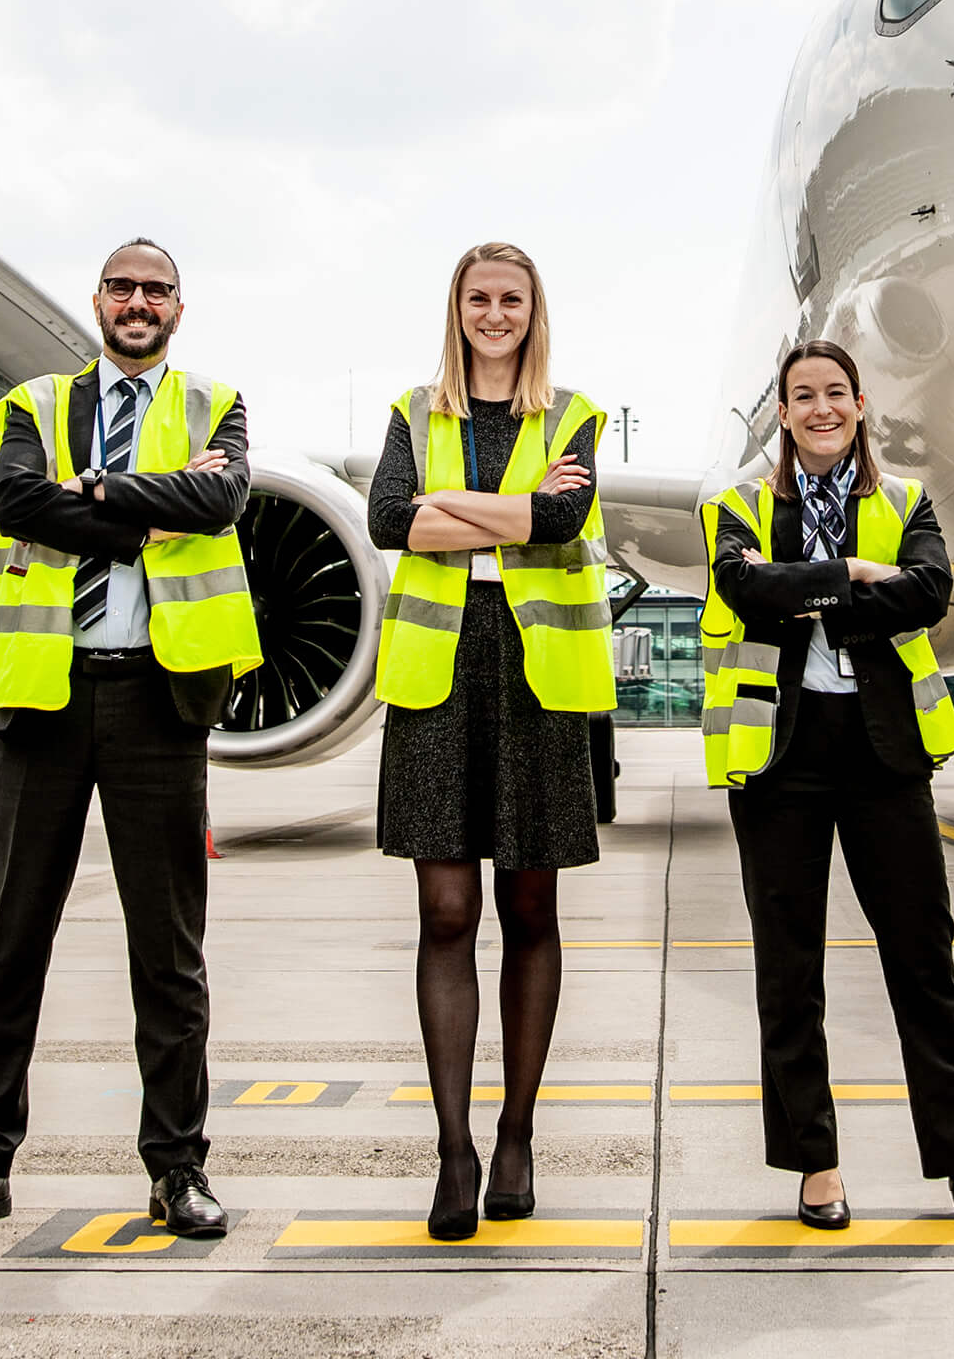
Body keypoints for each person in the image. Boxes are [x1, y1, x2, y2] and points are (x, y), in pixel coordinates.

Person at [0, 239, 263, 1240]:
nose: (138, 301)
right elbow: (20, 502)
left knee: (169, 955)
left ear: (178, 309)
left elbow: (223, 499)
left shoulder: (215, 406)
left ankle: (176, 1168)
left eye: (156, 289)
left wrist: (95, 495)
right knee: (12, 943)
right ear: (96, 302)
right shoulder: (27, 409)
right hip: (45, 699)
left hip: (161, 698)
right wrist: (146, 507)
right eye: (123, 286)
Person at [700, 340, 954, 1231]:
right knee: (790, 973)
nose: (820, 409)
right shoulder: (735, 502)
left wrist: (808, 594)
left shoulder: (903, 499)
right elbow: (744, 591)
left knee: (925, 965)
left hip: (884, 752)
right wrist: (855, 575)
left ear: (861, 407)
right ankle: (816, 1168)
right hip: (781, 757)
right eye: (802, 396)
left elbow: (929, 593)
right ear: (781, 412)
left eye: (836, 394)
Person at [367, 241, 613, 1240]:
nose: (496, 313)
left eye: (512, 298)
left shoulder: (574, 414)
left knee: (528, 903)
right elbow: (389, 519)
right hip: (438, 676)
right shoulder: (413, 412)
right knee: (445, 911)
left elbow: (563, 521)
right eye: (480, 297)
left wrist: (451, 511)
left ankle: (515, 1135)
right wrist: (508, 514)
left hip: (535, 673)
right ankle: (454, 1150)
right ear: (456, 308)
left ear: (532, 309)